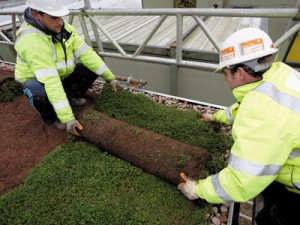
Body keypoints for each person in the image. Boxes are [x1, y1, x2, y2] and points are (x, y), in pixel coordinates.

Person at [178, 27, 300, 225]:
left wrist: (198, 189)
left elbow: (242, 179)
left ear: (241, 73)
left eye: (226, 73)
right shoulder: (280, 74)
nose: (225, 78)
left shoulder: (262, 113)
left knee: (272, 219)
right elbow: (249, 106)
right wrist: (216, 117)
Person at [14, 0, 119, 136]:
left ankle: (69, 96)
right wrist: (68, 118)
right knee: (37, 92)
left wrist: (109, 77)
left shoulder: (64, 28)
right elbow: (50, 80)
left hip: (59, 75)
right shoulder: (31, 40)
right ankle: (52, 117)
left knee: (90, 67)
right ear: (36, 14)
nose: (60, 22)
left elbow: (86, 54)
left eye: (60, 16)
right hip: (37, 80)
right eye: (54, 17)